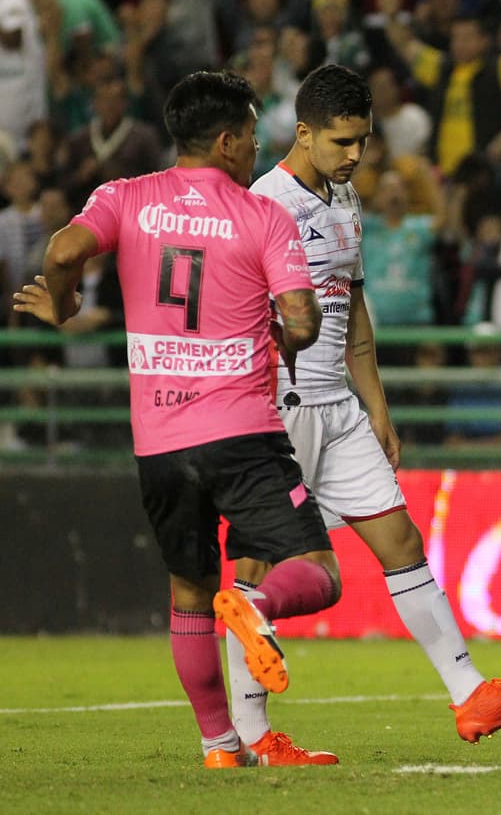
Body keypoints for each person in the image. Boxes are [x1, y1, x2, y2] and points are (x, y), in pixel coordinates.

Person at [228, 64, 501, 766]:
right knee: (257, 566)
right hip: (277, 407)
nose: (356, 156)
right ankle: (248, 737)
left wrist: (378, 406)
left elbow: (353, 313)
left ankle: (470, 692)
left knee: (402, 541)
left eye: (364, 141)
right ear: (305, 131)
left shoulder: (347, 198)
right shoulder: (265, 203)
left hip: (340, 409)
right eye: (343, 142)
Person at [12, 70, 340, 768]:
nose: (256, 147)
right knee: (315, 569)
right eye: (252, 135)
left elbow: (65, 250)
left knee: (189, 591)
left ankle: (220, 745)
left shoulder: (125, 197)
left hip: (158, 439)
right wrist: (289, 330)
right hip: (242, 429)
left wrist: (65, 305)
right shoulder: (262, 215)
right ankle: (258, 610)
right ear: (226, 141)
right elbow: (305, 321)